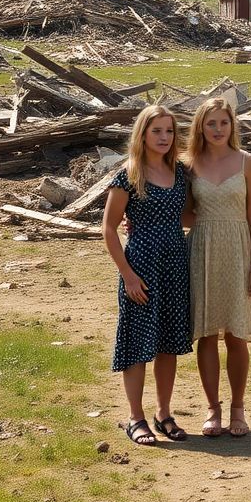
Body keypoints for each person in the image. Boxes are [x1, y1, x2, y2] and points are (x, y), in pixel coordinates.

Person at [185, 97, 251, 437]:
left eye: (223, 123)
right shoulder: (190, 164)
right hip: (203, 250)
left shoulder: (247, 163)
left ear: (232, 126)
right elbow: (181, 212)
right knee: (207, 334)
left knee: (237, 334)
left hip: (240, 250)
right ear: (201, 127)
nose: (217, 129)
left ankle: (238, 408)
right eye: (211, 123)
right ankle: (213, 409)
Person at [102, 105, 192, 445]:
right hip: (141, 267)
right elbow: (108, 229)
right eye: (157, 131)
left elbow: (187, 217)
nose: (164, 137)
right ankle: (135, 418)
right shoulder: (129, 174)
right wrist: (127, 275)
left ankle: (163, 413)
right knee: (137, 344)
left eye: (169, 131)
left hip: (174, 265)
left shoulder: (180, 173)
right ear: (143, 134)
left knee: (168, 343)